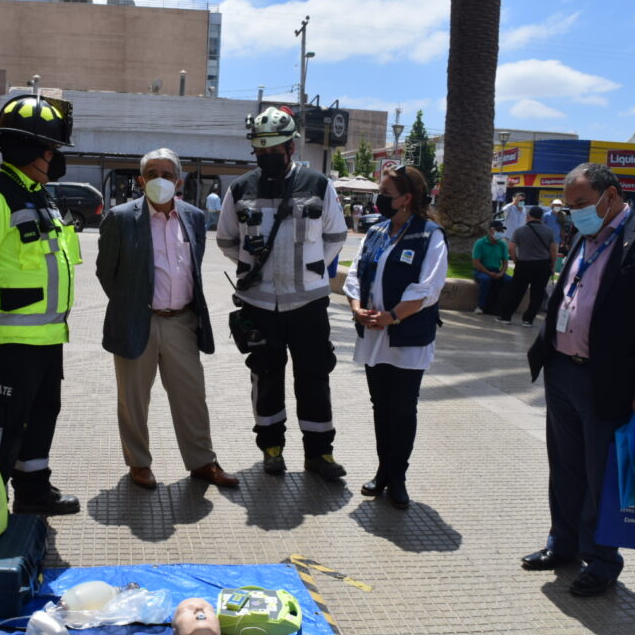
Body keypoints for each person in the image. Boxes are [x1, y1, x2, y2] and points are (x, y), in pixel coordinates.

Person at [523, 163, 635, 597]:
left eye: (579, 204)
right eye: (569, 206)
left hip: (609, 381)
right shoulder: (583, 235)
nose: (573, 213)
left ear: (610, 195)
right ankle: (564, 544)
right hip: (562, 370)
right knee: (565, 468)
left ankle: (602, 559)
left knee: (603, 475)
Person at [0, 93, 82, 515]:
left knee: (42, 416)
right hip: (7, 340)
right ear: (27, 149)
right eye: (50, 150)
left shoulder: (42, 197)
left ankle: (33, 490)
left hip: (47, 337)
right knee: (1, 424)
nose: (55, 158)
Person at [217, 106, 348, 480]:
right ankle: (271, 449)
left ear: (291, 147)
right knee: (265, 375)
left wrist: (308, 270)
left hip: (308, 304)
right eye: (261, 153)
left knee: (314, 377)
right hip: (259, 304)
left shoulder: (318, 184)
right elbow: (227, 239)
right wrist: (256, 268)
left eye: (274, 151)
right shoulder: (240, 188)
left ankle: (319, 454)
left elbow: (335, 236)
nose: (268, 158)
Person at [96, 148, 237, 490]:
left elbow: (194, 268)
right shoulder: (120, 217)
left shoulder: (194, 217)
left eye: (168, 174)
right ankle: (139, 463)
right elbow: (106, 273)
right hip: (136, 320)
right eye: (153, 173)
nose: (160, 179)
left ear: (179, 180)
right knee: (133, 400)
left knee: (191, 395)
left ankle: (202, 461)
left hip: (182, 322)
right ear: (141, 181)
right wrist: (133, 303)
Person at [343, 165, 448, 509]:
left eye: (386, 195)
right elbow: (357, 274)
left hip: (407, 338)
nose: (379, 200)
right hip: (374, 335)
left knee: (402, 409)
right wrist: (358, 307)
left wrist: (392, 317)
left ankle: (398, 477)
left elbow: (428, 288)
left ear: (407, 198)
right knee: (381, 406)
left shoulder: (429, 235)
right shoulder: (376, 232)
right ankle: (383, 471)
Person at [497, 205, 556, 327]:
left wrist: (516, 260)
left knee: (516, 292)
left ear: (528, 217)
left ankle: (506, 316)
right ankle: (528, 320)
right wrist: (552, 265)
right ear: (541, 217)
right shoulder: (549, 231)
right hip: (542, 265)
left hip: (523, 264)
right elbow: (553, 250)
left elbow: (511, 247)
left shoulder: (519, 230)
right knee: (537, 294)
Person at [471, 221, 511, 314]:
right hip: (481, 270)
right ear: (490, 231)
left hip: (496, 270)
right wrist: (488, 273)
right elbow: (476, 262)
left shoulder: (502, 244)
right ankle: (480, 306)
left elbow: (505, 262)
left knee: (509, 281)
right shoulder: (480, 243)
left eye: (501, 231)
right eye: (498, 230)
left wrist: (501, 273)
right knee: (485, 280)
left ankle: (501, 306)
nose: (500, 233)